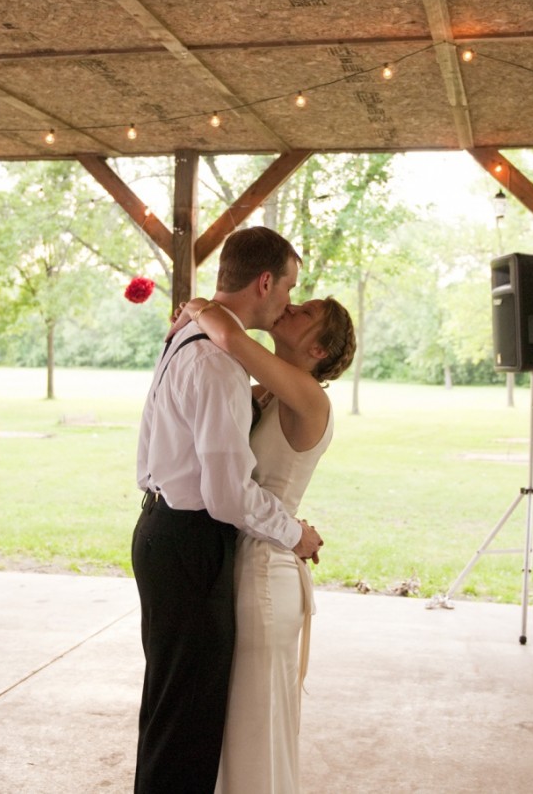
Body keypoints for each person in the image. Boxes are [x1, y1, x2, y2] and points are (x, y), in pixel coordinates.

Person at [132, 227, 324, 794]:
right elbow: (228, 494)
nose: (289, 298)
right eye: (289, 286)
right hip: (190, 543)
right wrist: (294, 534)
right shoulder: (217, 363)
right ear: (265, 281)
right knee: (186, 726)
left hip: (165, 530)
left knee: (171, 712)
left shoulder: (194, 331)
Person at [168, 292, 356, 794]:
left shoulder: (309, 397)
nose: (291, 308)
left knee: (256, 723)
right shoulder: (268, 392)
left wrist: (198, 306)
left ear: (318, 350)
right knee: (241, 722)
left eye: (306, 313)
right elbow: (214, 376)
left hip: (264, 576)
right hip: (247, 557)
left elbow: (228, 336)